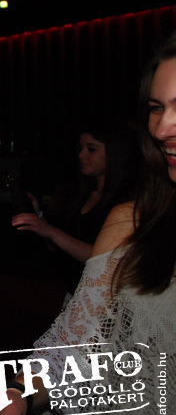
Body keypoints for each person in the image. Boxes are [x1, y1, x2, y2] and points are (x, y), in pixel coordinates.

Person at [0, 36, 176, 415]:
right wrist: (19, 392)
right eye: (156, 108)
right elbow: (76, 345)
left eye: (91, 148)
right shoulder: (128, 218)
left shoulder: (115, 196)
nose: (163, 126)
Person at [11, 120, 138, 294]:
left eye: (91, 149)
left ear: (115, 153)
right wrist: (38, 216)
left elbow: (104, 260)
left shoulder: (127, 204)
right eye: (80, 148)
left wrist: (51, 231)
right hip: (74, 291)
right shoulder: (79, 194)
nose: (81, 155)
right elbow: (58, 246)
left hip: (104, 297)